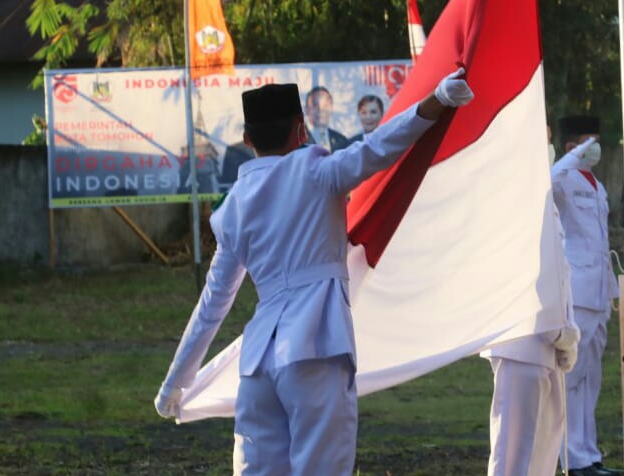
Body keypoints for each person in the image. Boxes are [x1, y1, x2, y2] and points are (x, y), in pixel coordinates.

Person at [154, 69, 475, 475]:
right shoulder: (319, 172)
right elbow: (382, 144)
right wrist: (439, 99)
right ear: (301, 129)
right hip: (316, 348)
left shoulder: (234, 207)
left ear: (247, 140)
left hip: (257, 365)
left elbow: (211, 306)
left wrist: (174, 384)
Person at [481, 125, 580, 476]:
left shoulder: (540, 198)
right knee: (513, 458)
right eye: (542, 139)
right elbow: (534, 273)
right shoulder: (515, 198)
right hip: (521, 340)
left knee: (542, 453)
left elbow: (559, 274)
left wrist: (564, 331)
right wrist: (560, 331)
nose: (549, 147)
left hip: (544, 344)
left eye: (550, 138)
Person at [551, 115, 623, 476]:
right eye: (586, 142)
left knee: (590, 378)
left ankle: (589, 455)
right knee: (572, 377)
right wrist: (568, 157)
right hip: (576, 292)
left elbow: (601, 242)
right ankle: (570, 458)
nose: (594, 148)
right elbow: (546, 184)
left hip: (599, 292)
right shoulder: (563, 179)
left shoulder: (597, 185)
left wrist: (613, 288)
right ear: (571, 146)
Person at [303, 86, 351, 152]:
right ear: (306, 109)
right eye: (315, 106)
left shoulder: (341, 140)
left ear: (331, 108)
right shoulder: (295, 141)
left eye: (325, 106)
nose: (321, 110)